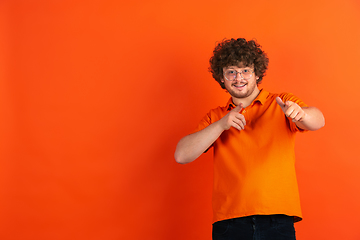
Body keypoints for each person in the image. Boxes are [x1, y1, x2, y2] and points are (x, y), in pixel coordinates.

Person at [174, 38, 325, 240]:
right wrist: (221, 125)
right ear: (222, 78)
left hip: (277, 219)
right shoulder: (216, 117)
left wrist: (301, 114)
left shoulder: (280, 103)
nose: (239, 78)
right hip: (229, 223)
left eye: (246, 70)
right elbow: (181, 155)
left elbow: (318, 121)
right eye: (231, 72)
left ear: (257, 74)